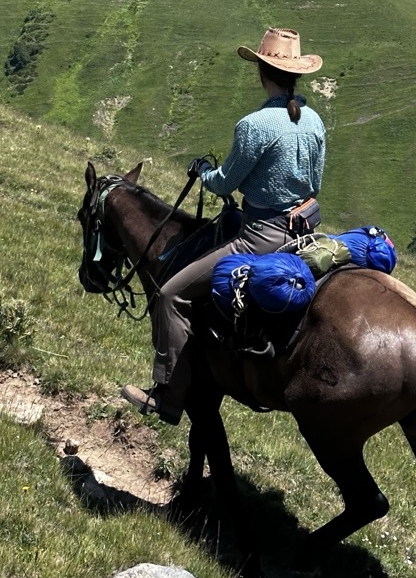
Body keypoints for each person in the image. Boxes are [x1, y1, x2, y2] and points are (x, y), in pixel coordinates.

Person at [122, 27, 326, 424]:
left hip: (260, 236)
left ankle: (166, 395)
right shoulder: (314, 121)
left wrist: (203, 172)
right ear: (296, 75)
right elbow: (314, 184)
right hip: (305, 230)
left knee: (169, 294)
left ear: (262, 72)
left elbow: (224, 183)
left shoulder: (255, 125)